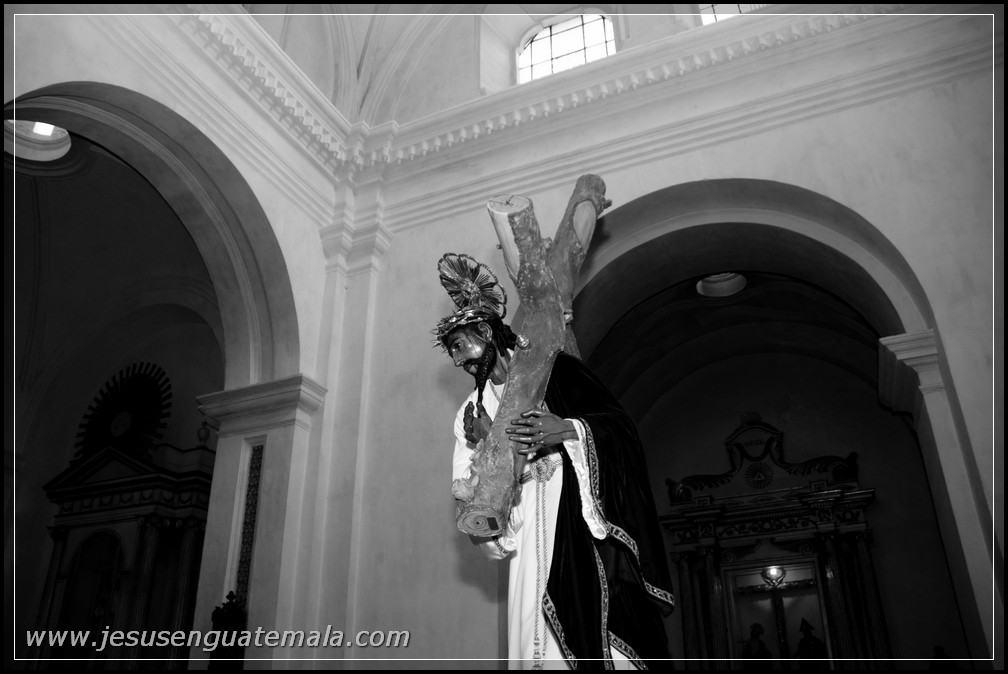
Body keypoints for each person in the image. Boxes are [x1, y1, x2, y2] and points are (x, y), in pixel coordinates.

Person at [436, 253, 674, 670]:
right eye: (453, 352)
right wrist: (486, 467)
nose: (459, 361)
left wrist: (567, 429)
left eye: (460, 346)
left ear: (486, 332)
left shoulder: (555, 370)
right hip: (527, 533)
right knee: (536, 641)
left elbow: (619, 428)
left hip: (580, 524)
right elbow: (473, 506)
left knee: (600, 635)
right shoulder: (469, 413)